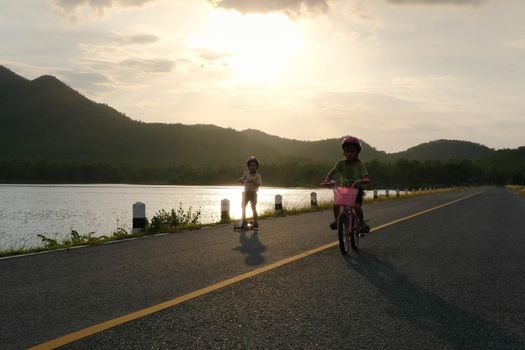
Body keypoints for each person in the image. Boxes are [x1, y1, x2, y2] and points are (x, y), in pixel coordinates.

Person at [323, 135, 371, 234]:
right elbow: (332, 173)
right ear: (344, 152)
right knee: (336, 204)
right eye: (347, 151)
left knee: (356, 206)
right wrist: (327, 180)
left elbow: (366, 176)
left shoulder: (359, 164)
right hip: (344, 189)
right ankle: (337, 221)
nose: (350, 153)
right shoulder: (340, 163)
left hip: (356, 189)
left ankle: (361, 223)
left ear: (357, 152)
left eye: (352, 151)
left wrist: (364, 180)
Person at [238, 156, 262, 228]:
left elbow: (259, 184)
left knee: (253, 207)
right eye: (251, 165)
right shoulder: (246, 173)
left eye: (254, 165)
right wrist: (240, 180)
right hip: (246, 193)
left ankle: (255, 222)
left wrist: (253, 182)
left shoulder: (258, 175)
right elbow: (242, 180)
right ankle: (244, 220)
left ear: (257, 166)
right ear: (248, 167)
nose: (252, 167)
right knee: (243, 207)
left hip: (253, 194)